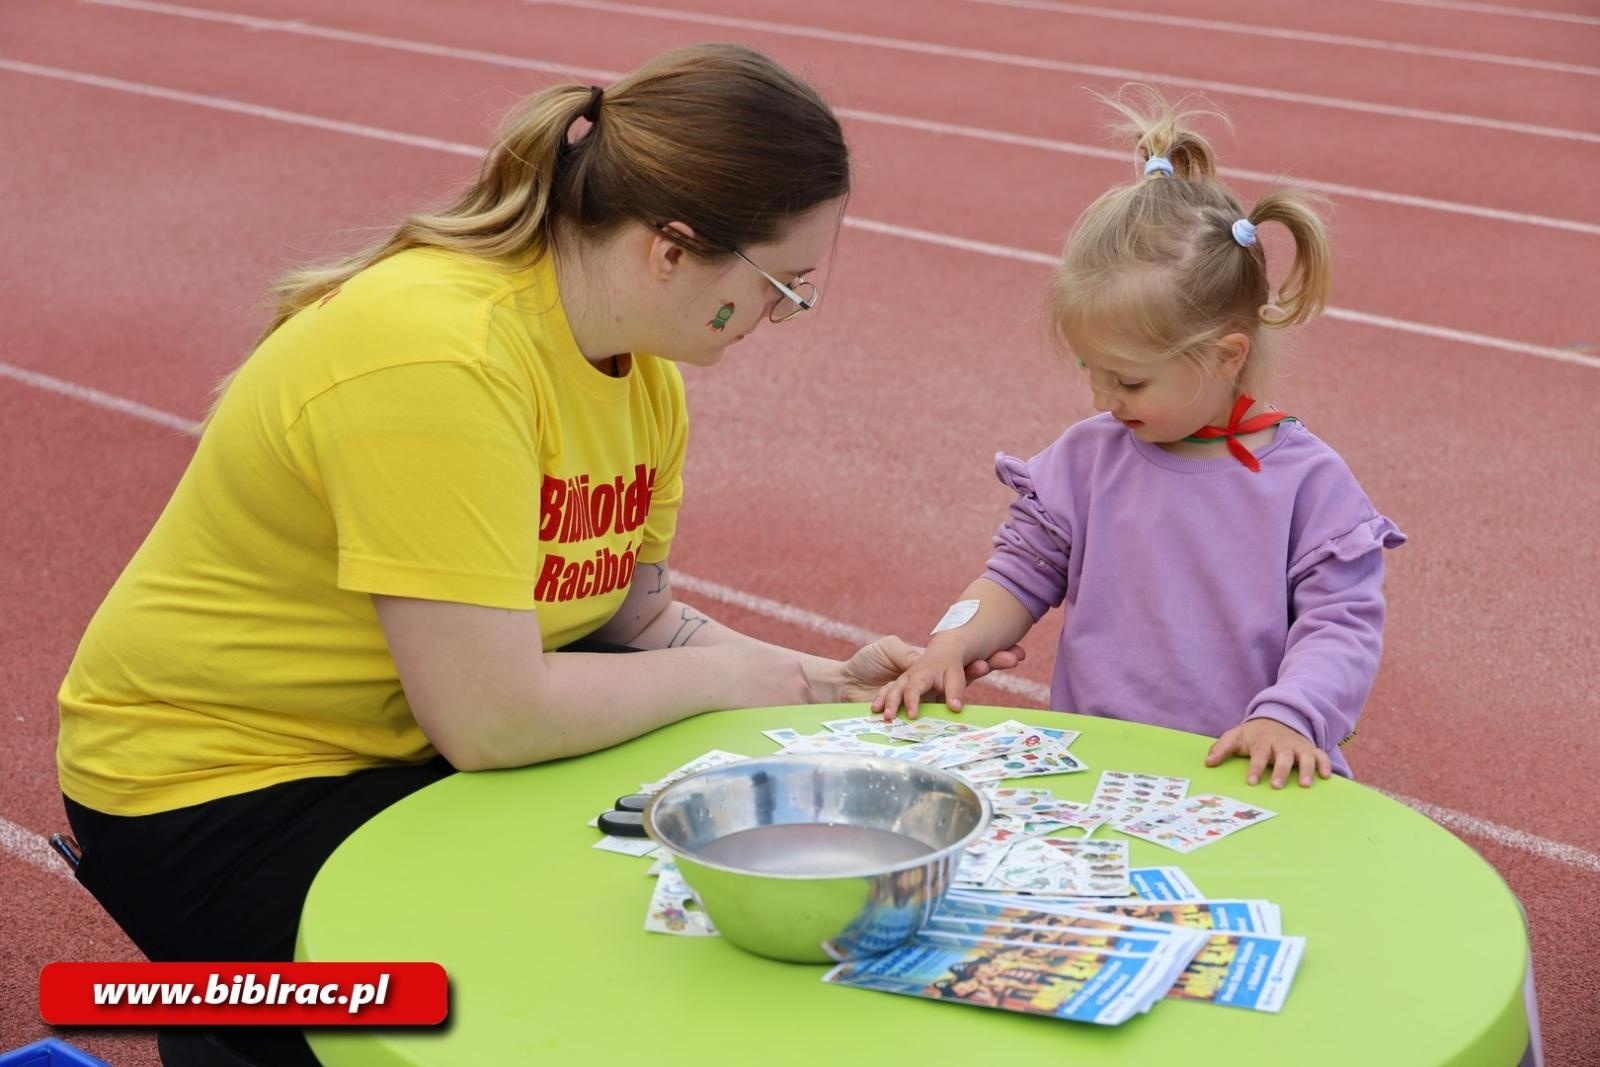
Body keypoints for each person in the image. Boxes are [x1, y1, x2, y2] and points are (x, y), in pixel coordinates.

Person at [55, 44, 1016, 1065]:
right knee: (515, 1006)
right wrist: (749, 674)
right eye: (784, 283)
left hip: (388, 755)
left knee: (626, 913)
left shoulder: (642, 377)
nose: (783, 317)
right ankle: (244, 1025)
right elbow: (492, 717)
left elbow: (631, 621)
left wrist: (815, 680)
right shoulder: (439, 357)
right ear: (671, 249)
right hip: (210, 790)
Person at [873, 87, 1405, 791]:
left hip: (1248, 775)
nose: (1102, 399)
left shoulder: (1310, 484)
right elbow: (1015, 573)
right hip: (1103, 777)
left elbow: (1342, 623)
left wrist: (1292, 713)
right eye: (1091, 371)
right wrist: (952, 640)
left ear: (1226, 355)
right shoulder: (1086, 459)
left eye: (1129, 382)